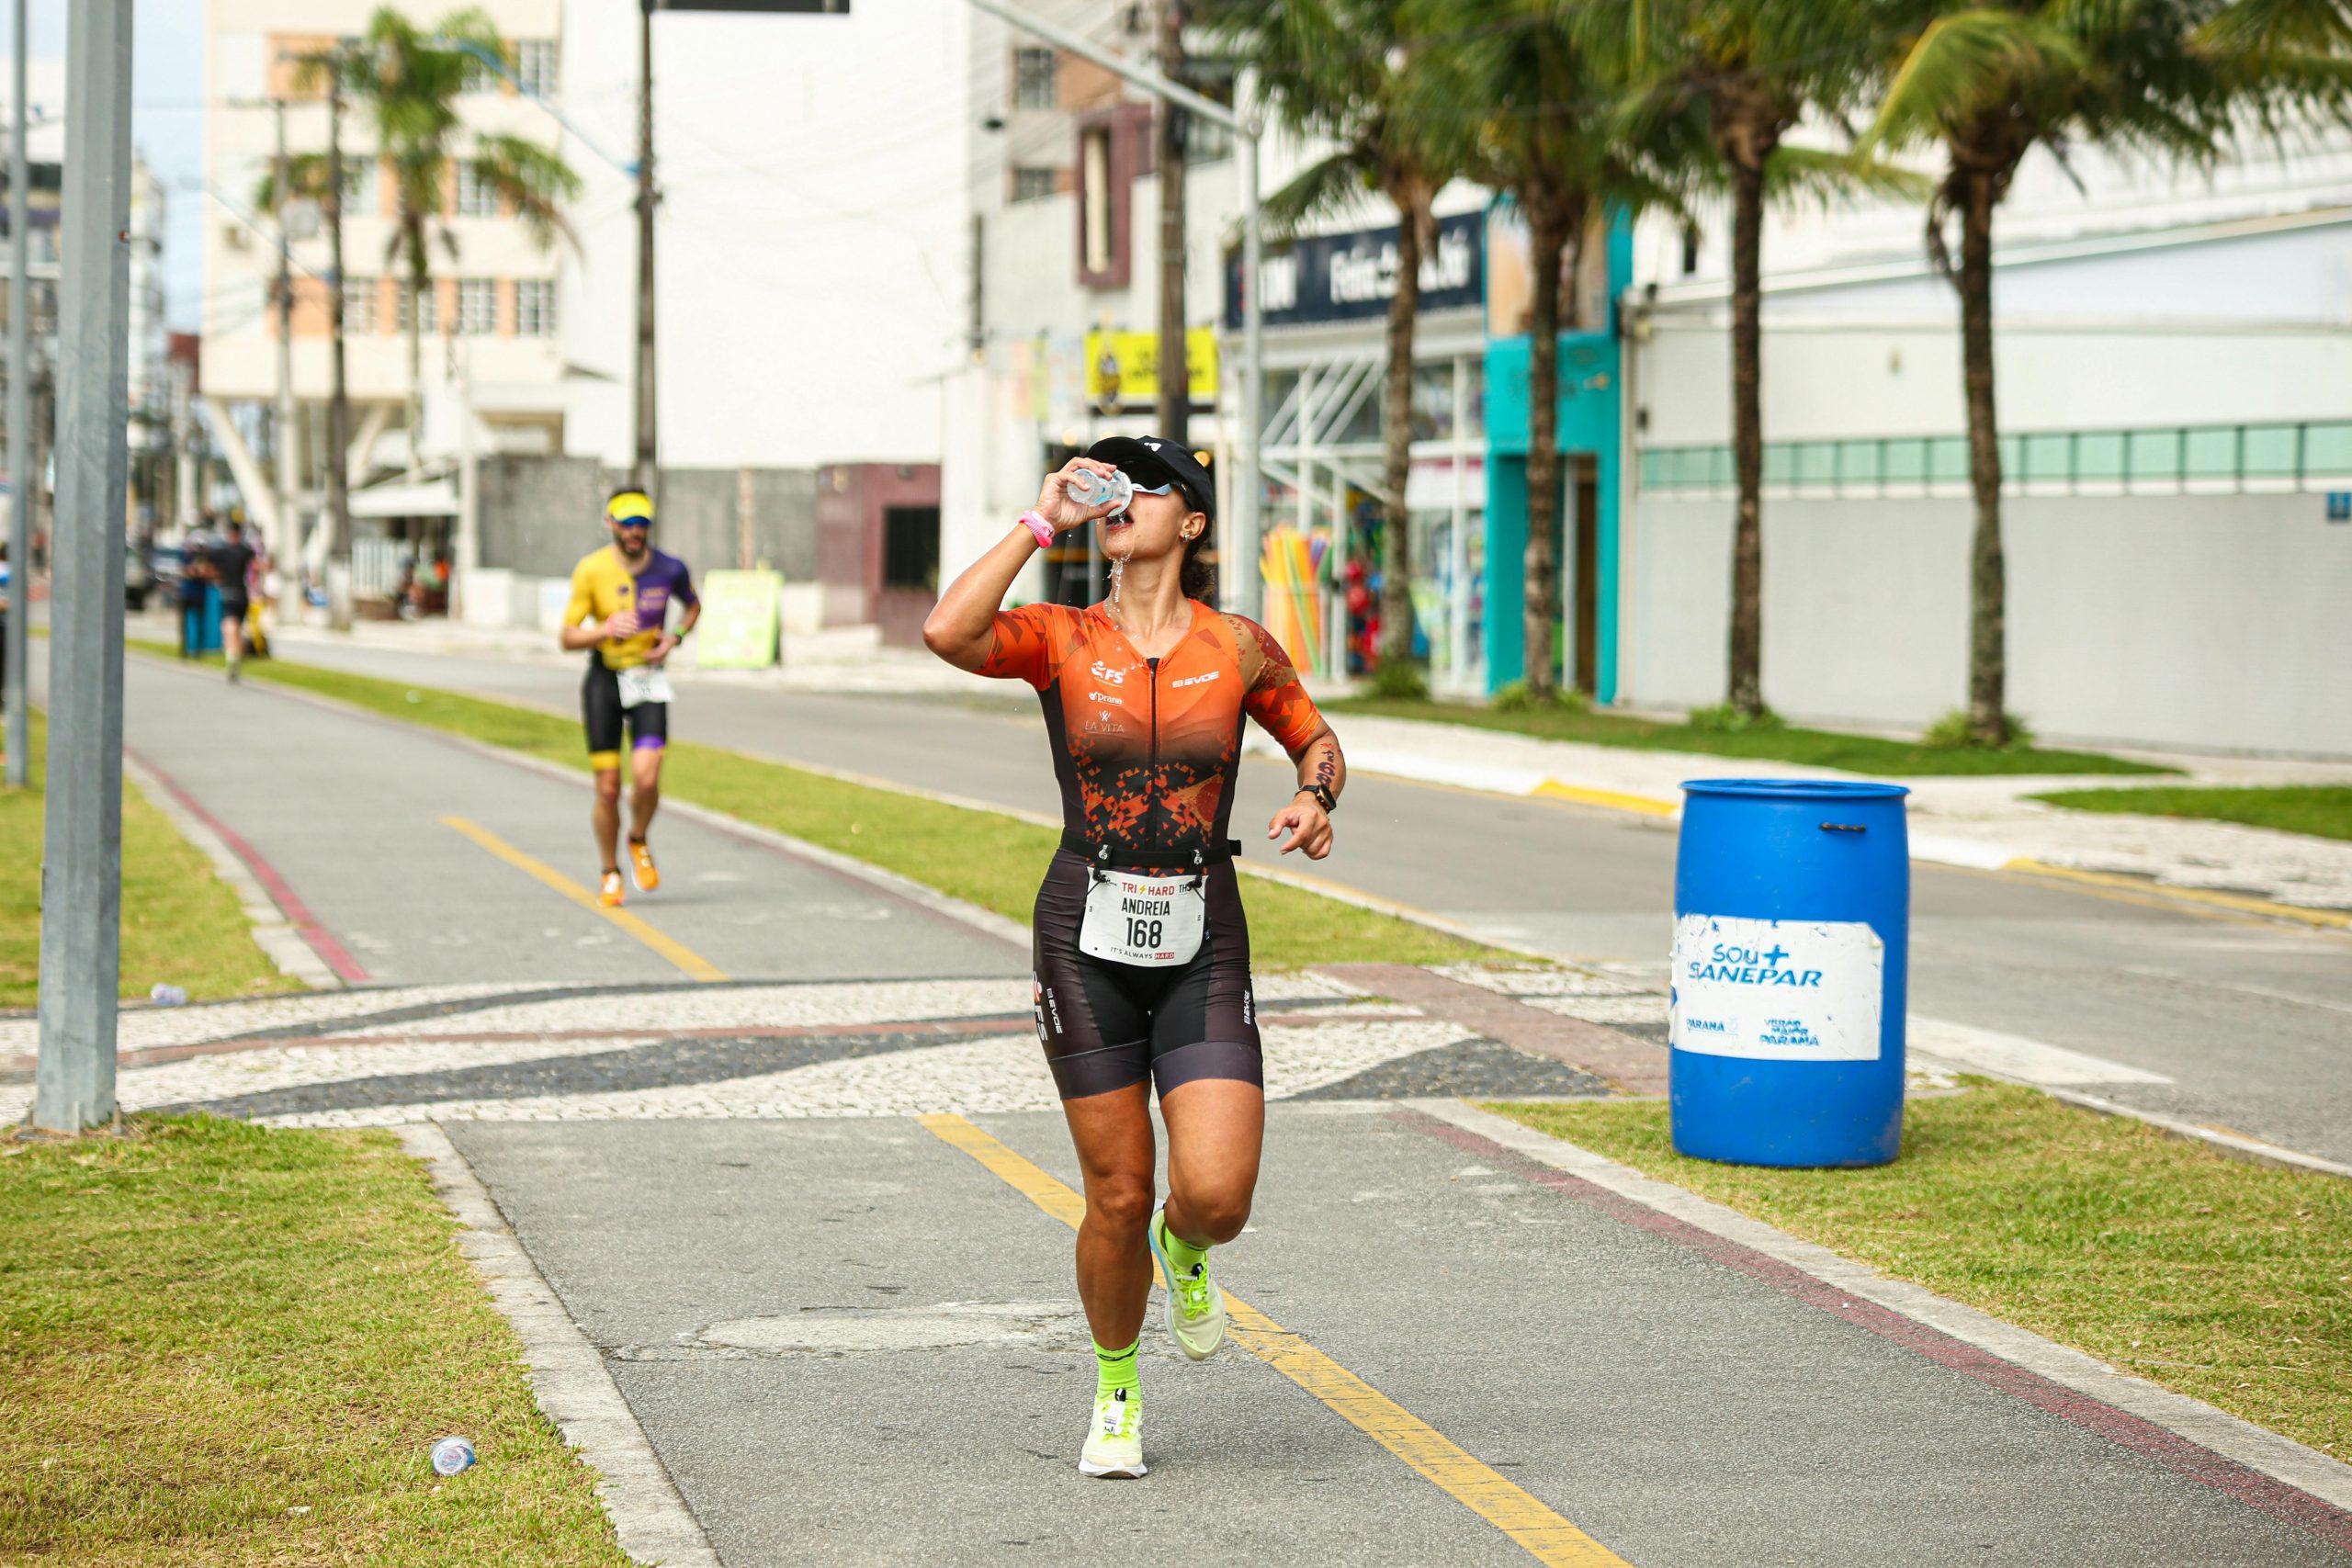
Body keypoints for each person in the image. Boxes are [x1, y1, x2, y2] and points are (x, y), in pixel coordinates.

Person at [922, 436, 1346, 1480]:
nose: (1119, 495)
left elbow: (1316, 740)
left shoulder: (1237, 647)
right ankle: (1116, 1387)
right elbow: (947, 630)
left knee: (1218, 1194)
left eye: (1143, 486)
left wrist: (1314, 796)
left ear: (1190, 522)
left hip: (1203, 929)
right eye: (1108, 481)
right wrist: (1040, 522)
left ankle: (1185, 1247)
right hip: (1084, 930)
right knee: (1117, 1191)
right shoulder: (1062, 637)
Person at [560, 488, 699, 908]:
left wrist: (674, 637)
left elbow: (693, 606)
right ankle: (610, 870)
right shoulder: (591, 570)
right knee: (607, 788)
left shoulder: (670, 567)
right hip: (604, 679)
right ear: (611, 524)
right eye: (627, 525)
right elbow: (567, 637)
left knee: (647, 778)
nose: (635, 532)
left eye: (642, 525)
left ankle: (637, 837)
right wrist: (603, 630)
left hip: (647, 678)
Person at [207, 520, 257, 682]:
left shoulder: (221, 551)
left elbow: (211, 570)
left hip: (227, 592)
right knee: (238, 628)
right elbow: (256, 567)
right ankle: (237, 653)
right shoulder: (245, 550)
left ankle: (232, 656)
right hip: (242, 593)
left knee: (228, 626)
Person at [178, 516, 217, 660]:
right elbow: (185, 571)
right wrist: (194, 571)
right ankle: (184, 649)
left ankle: (198, 650)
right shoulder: (186, 555)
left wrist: (201, 572)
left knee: (201, 623)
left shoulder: (207, 557)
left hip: (200, 593)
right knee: (184, 624)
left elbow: (210, 573)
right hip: (187, 592)